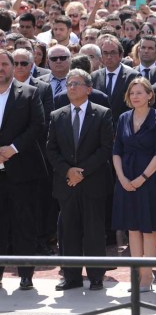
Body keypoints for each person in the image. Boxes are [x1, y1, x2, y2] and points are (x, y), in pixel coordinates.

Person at [47, 69, 114, 291]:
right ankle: (71, 276)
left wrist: (81, 172)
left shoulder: (102, 113)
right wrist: (68, 171)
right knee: (69, 232)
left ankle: (96, 276)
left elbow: (105, 148)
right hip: (66, 184)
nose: (72, 87)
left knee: (94, 231)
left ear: (89, 88)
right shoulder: (58, 116)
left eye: (76, 83)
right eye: (69, 84)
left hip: (93, 183)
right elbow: (51, 149)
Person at [112, 78, 156, 292]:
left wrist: (142, 178)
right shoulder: (123, 117)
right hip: (126, 179)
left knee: (149, 228)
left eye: (140, 92)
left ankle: (147, 275)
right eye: (132, 92)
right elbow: (116, 151)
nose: (135, 96)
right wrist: (122, 178)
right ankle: (136, 273)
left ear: (149, 95)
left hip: (150, 180)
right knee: (133, 229)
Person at [0, 49, 46, 291]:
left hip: (22, 172)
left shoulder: (29, 93)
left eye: (5, 64)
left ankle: (26, 274)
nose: (1, 69)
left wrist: (14, 148)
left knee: (24, 225)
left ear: (12, 66)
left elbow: (37, 125)